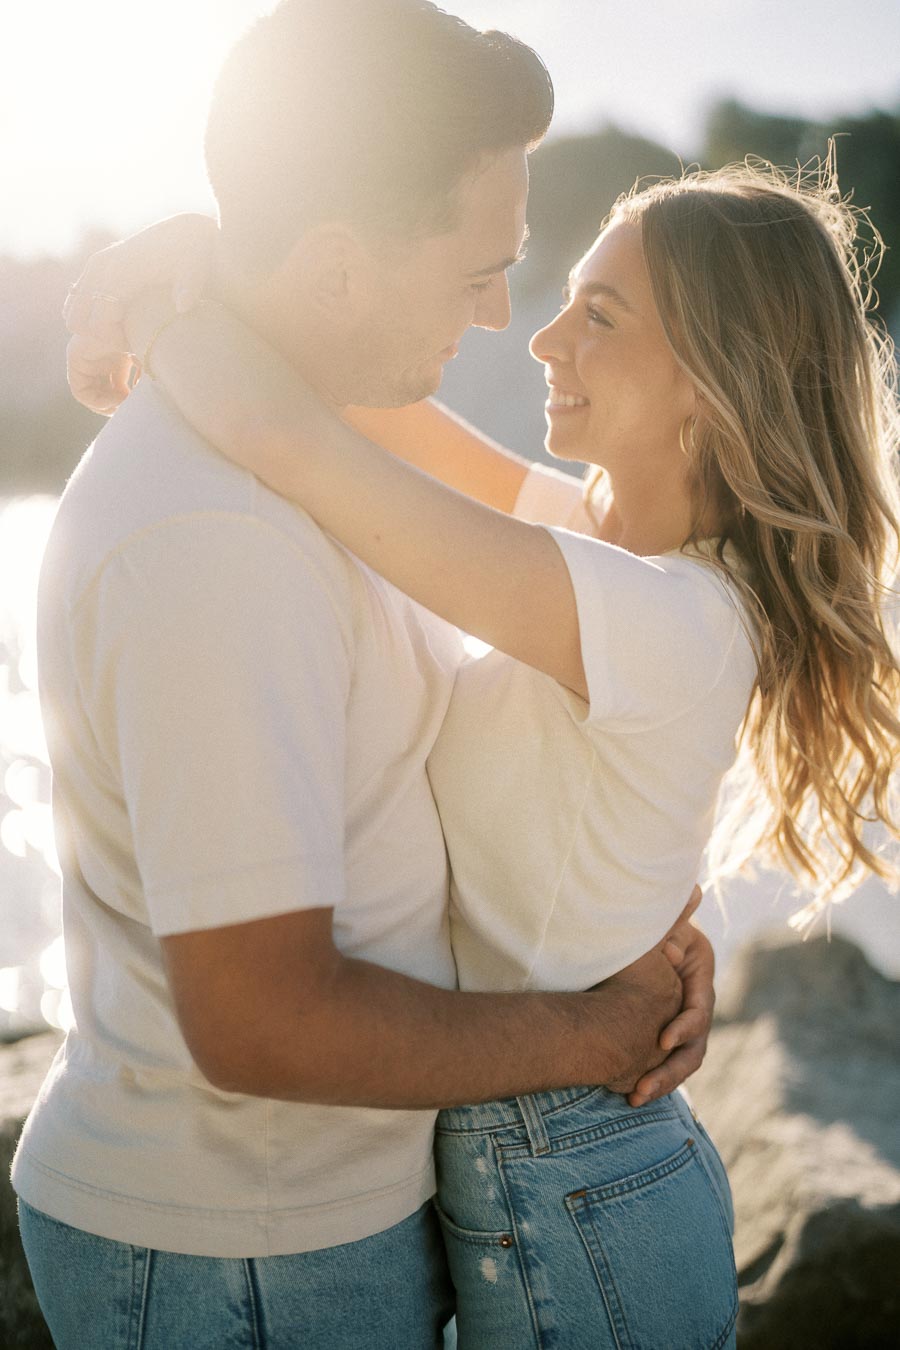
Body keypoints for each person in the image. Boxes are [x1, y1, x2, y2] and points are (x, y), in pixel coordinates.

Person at [64, 156, 900, 1348]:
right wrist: (216, 256)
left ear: (709, 393)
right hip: (540, 1156)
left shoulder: (663, 619)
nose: (545, 338)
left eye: (600, 317)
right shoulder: (600, 558)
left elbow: (295, 440)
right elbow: (373, 407)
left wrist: (160, 308)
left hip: (584, 1173)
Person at [12, 3, 717, 1348]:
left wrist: (197, 280)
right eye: (476, 270)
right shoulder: (217, 537)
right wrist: (598, 1028)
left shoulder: (307, 451)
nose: (504, 316)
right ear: (339, 269)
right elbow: (262, 1018)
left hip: (292, 1218)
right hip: (241, 1245)